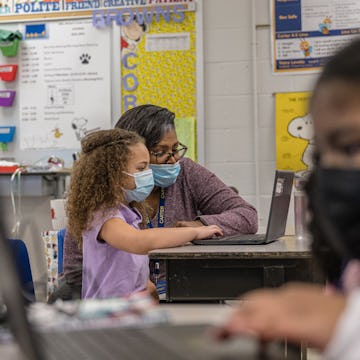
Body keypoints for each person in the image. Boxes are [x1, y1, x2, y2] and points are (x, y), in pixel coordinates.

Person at [215, 38, 360, 359]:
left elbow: (243, 214)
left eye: (351, 147)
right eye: (323, 154)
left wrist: (343, 323)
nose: (334, 174)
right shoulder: (351, 271)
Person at [60, 104, 258, 301]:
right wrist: (191, 233)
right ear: (117, 165)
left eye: (175, 149)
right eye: (159, 152)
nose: (172, 160)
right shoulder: (103, 211)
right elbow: (136, 242)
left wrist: (200, 224)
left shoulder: (144, 202)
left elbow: (247, 215)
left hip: (179, 293)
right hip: (114, 308)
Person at [66, 128, 222, 299]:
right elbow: (138, 242)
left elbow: (128, 265)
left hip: (132, 310)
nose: (149, 174)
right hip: (107, 315)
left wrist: (147, 287)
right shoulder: (103, 216)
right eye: (141, 168)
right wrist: (194, 231)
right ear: (112, 175)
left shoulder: (130, 214)